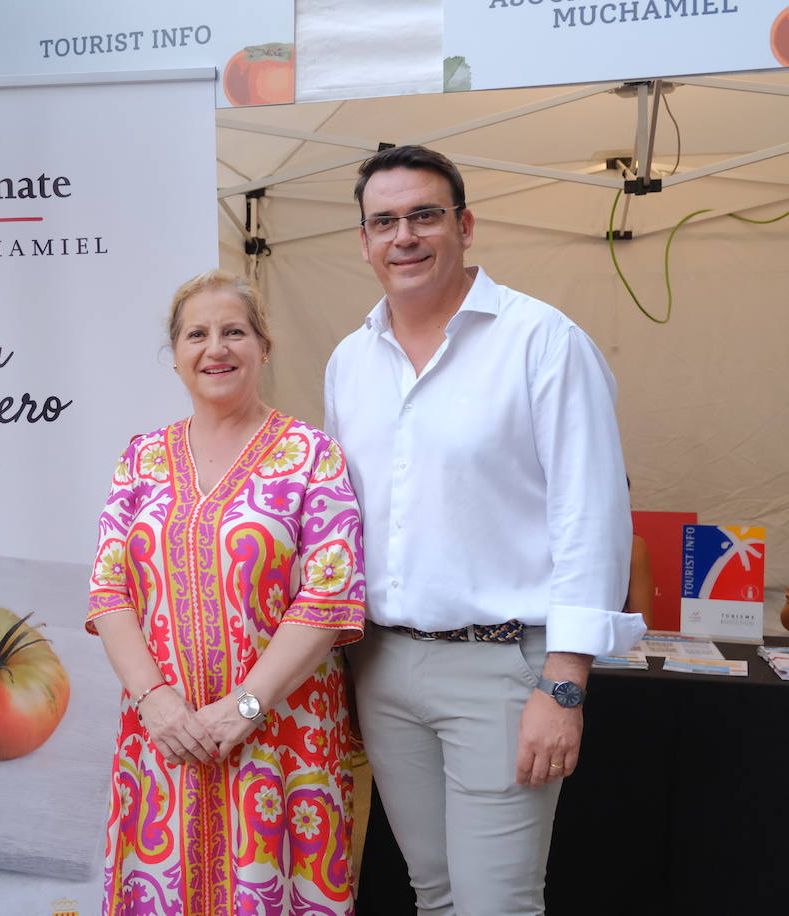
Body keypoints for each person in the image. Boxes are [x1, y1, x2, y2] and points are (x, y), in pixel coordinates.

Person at [323, 145, 644, 914]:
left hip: (501, 672)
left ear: (465, 226)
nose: (405, 236)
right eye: (385, 221)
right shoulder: (348, 361)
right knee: (433, 895)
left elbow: (592, 518)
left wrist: (562, 686)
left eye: (425, 215)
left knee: (495, 904)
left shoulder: (543, 342)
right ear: (363, 242)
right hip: (384, 666)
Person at [88, 270, 366, 915]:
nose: (216, 348)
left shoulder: (311, 456)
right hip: (165, 736)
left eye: (233, 332)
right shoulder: (141, 458)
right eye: (197, 335)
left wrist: (242, 708)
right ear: (177, 355)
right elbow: (108, 591)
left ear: (263, 347)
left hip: (281, 736)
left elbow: (328, 598)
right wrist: (155, 702)